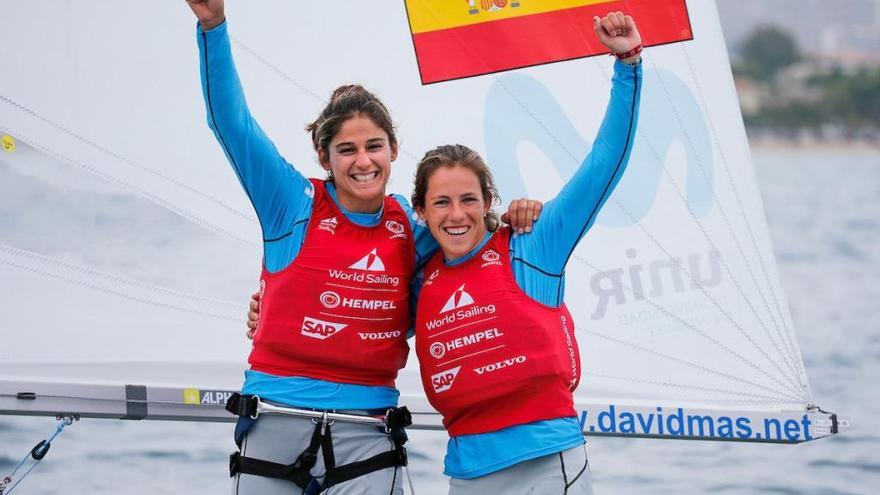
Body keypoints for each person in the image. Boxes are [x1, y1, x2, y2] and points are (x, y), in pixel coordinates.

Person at [248, 11, 643, 494]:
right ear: (421, 212)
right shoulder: (421, 273)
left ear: (488, 203)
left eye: (468, 201)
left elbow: (604, 166)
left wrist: (628, 65)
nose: (456, 215)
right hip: (467, 473)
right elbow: (354, 301)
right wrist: (269, 311)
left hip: (548, 461)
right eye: (441, 203)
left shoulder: (533, 247)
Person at [184, 1, 540, 493]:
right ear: (324, 157)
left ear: (393, 149)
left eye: (374, 146)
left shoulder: (413, 229)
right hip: (274, 421)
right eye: (347, 150)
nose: (362, 161)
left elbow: (474, 237)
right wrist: (213, 27)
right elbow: (231, 124)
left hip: (367, 430)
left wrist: (519, 217)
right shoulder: (290, 203)